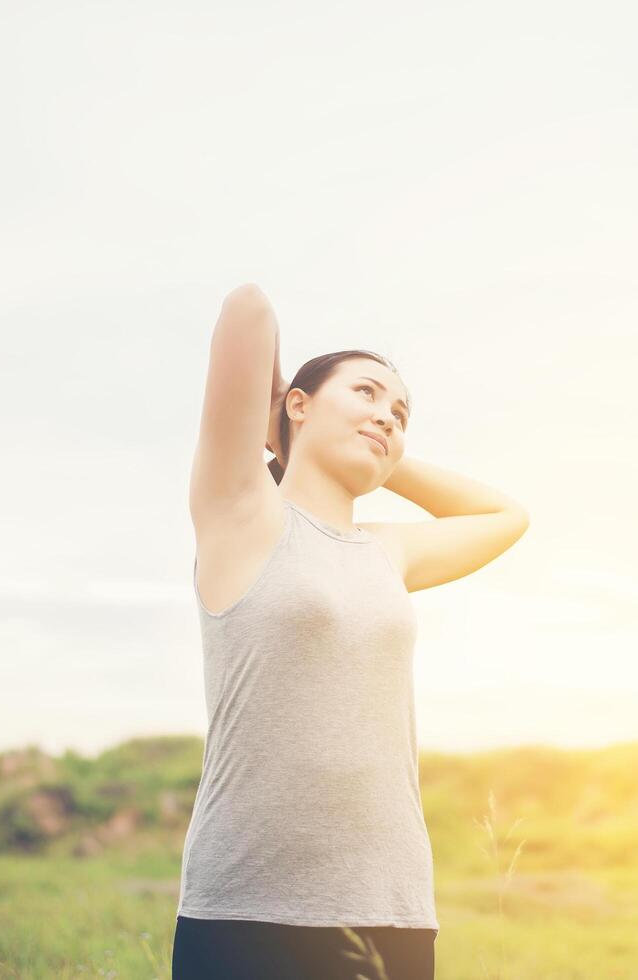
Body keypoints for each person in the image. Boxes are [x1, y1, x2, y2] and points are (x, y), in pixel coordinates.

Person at [173, 283, 531, 979]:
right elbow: (247, 308)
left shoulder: (386, 551)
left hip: (390, 901)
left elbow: (505, 518)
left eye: (400, 412)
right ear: (298, 405)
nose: (387, 416)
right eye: (366, 393)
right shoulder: (241, 516)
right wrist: (273, 421)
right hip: (249, 906)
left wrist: (384, 454)